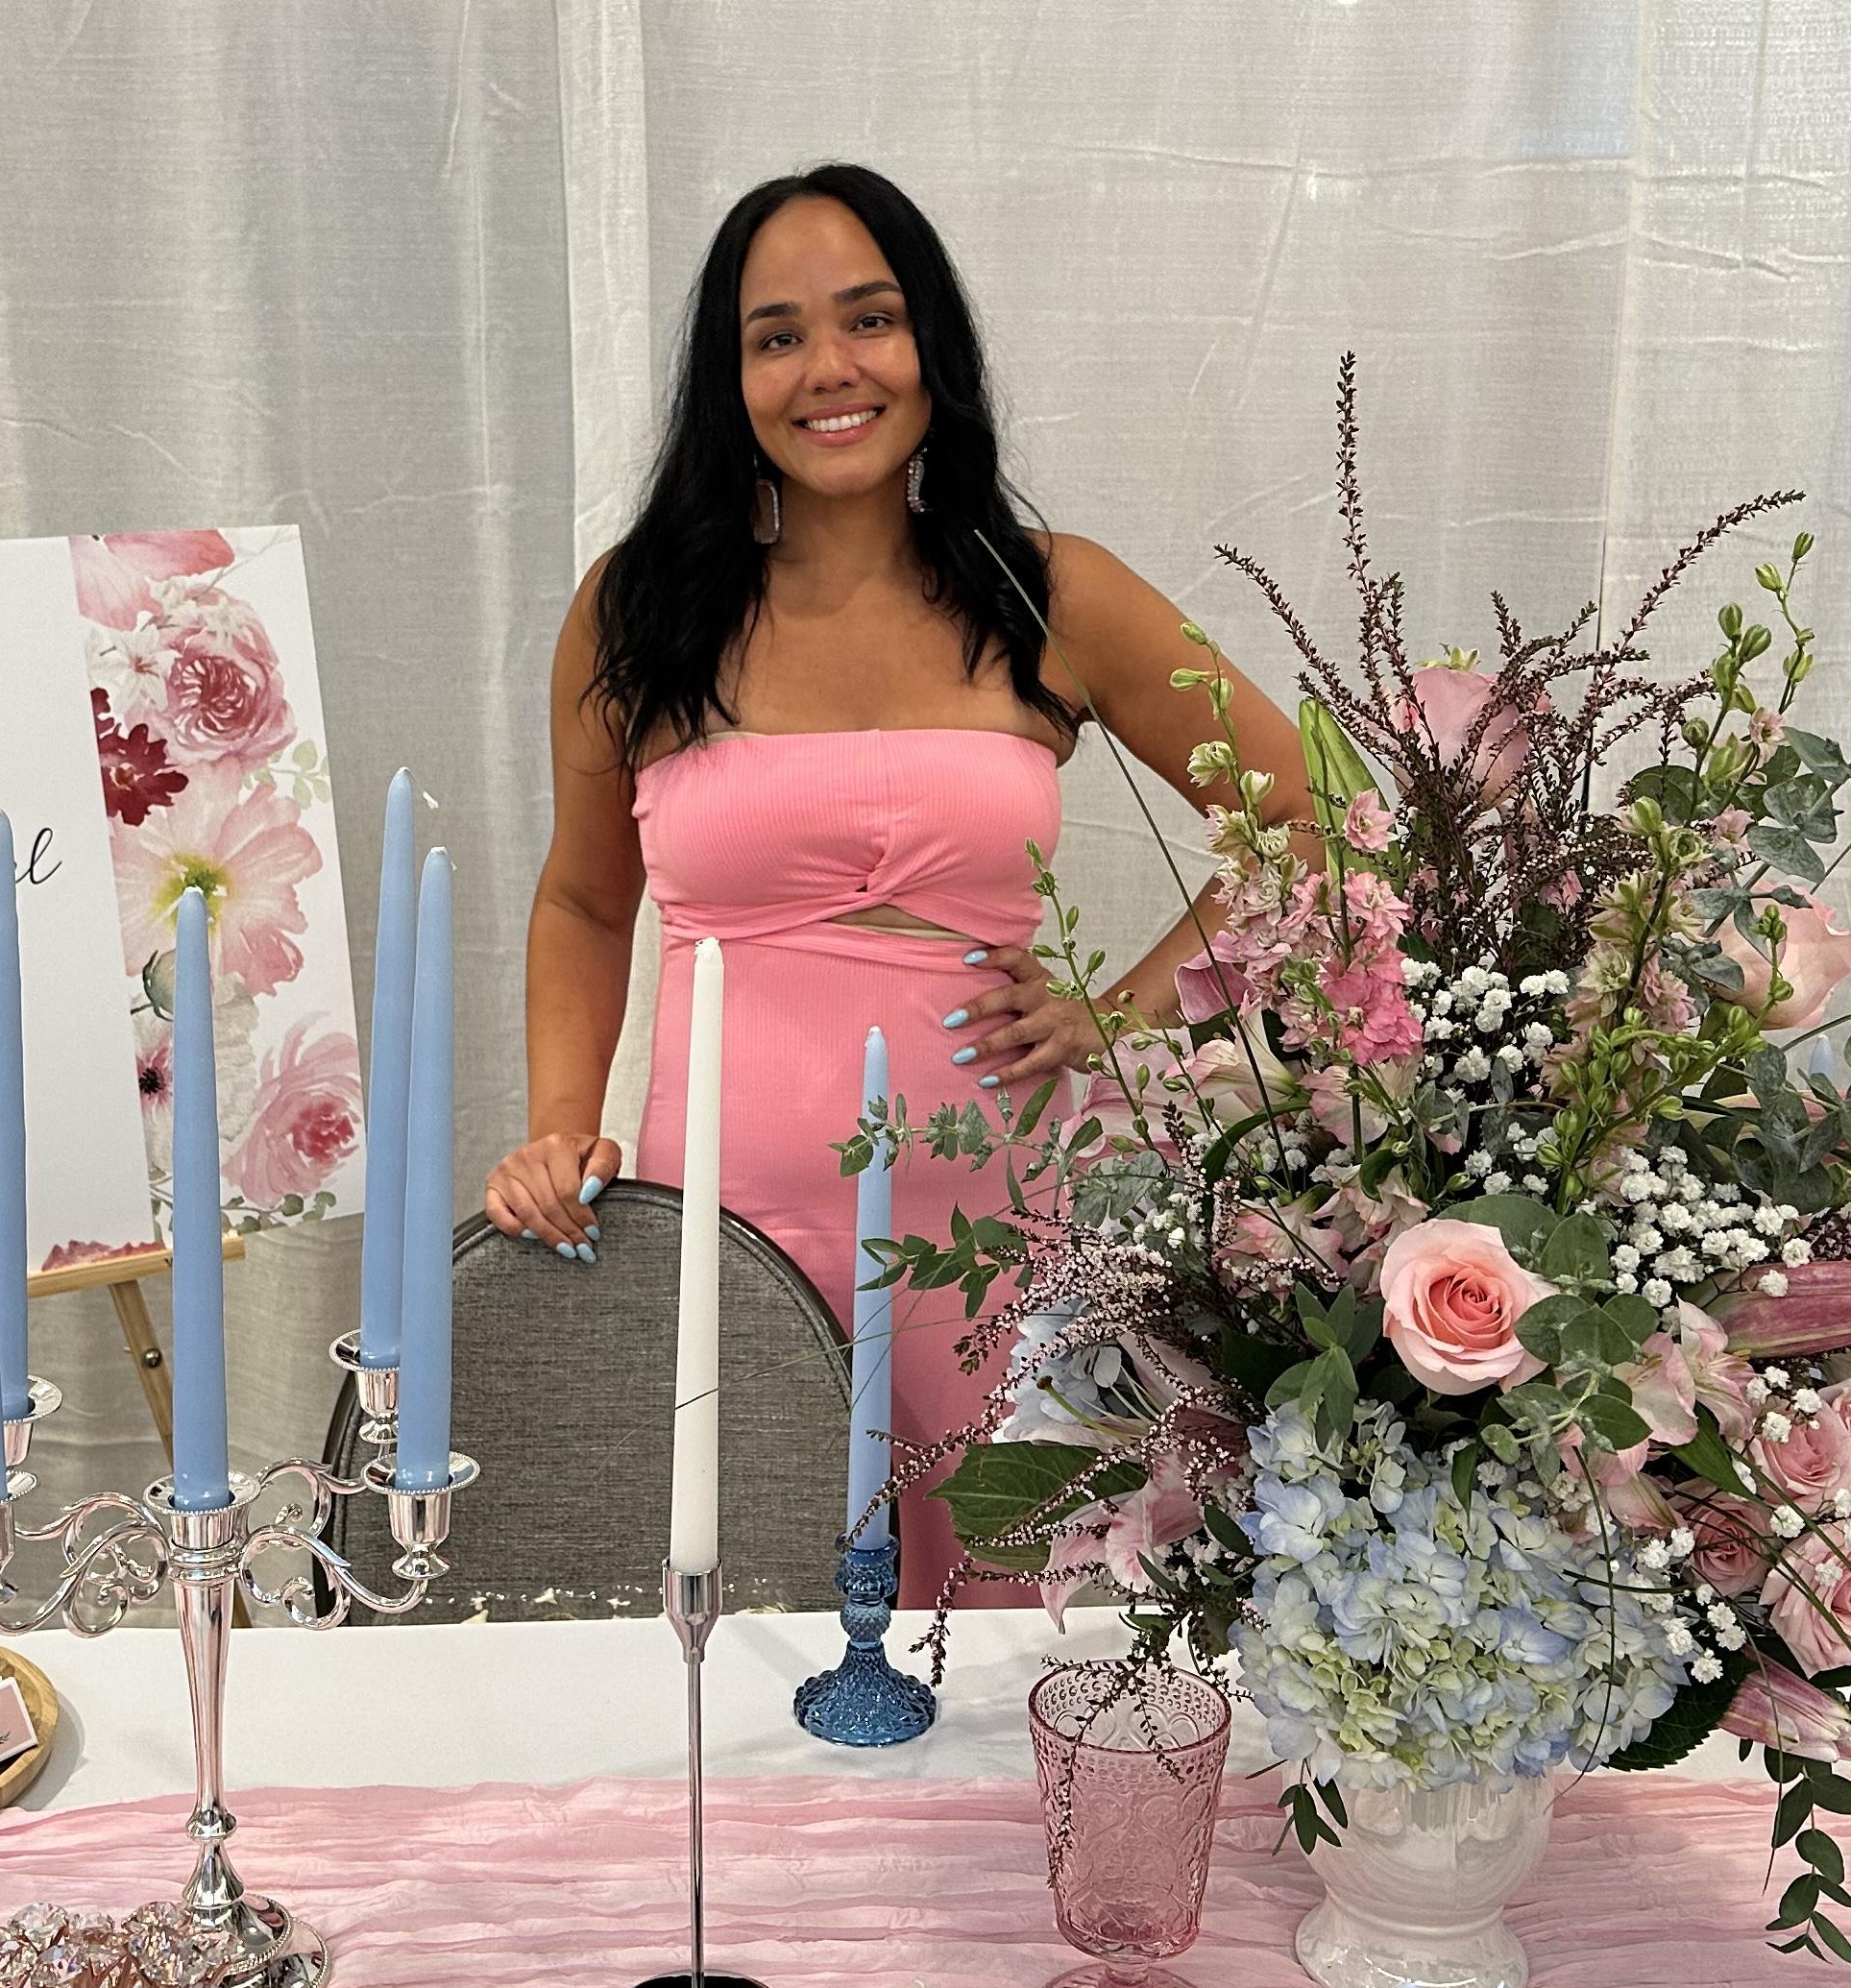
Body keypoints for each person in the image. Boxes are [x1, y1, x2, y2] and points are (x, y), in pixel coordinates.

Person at [483, 162, 1315, 1604]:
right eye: (778, 335)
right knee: (741, 1618)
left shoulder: (1051, 592)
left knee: (999, 1631)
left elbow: (1312, 822)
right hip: (722, 1224)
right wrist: (560, 1127)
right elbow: (584, 904)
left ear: (931, 342)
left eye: (869, 319)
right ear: (728, 377)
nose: (830, 367)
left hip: (994, 1228)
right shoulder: (639, 609)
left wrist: (1121, 1014)